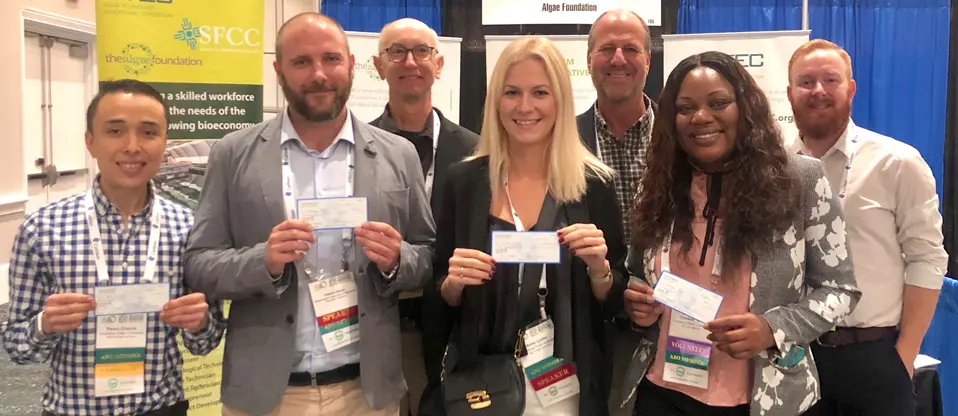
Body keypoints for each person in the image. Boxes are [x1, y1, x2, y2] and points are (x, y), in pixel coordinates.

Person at [182, 12, 435, 416]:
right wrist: (263, 262)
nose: (319, 74)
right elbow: (199, 264)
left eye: (331, 59)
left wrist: (397, 260)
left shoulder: (398, 154)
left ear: (351, 64)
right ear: (279, 70)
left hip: (366, 393)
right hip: (267, 394)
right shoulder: (232, 153)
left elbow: (426, 255)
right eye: (302, 62)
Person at [619, 51, 861, 416]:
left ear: (745, 107)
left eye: (718, 103)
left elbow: (840, 290)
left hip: (763, 397)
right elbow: (638, 272)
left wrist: (772, 328)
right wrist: (638, 301)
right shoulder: (657, 184)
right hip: (663, 390)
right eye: (685, 108)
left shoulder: (800, 180)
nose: (701, 117)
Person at [2, 79, 225, 416]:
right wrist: (45, 324)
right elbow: (17, 348)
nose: (132, 146)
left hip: (161, 407)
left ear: (164, 142)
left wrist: (199, 323)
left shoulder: (191, 229)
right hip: (74, 409)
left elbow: (205, 343)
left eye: (148, 132)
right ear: (90, 142)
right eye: (115, 131)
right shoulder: (42, 230)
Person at [435, 37, 628, 415]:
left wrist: (600, 271)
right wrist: (452, 283)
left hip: (565, 386)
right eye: (512, 92)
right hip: (482, 388)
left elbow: (615, 296)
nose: (525, 107)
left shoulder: (594, 184)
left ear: (560, 100)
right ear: (496, 101)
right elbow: (438, 290)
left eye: (540, 92)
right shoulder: (464, 182)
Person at [787, 40, 948, 416]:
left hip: (873, 359)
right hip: (793, 357)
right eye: (806, 82)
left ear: (851, 88)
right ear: (790, 92)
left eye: (831, 80)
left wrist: (904, 355)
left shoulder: (897, 162)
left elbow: (927, 258)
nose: (818, 90)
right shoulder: (771, 165)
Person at [368, 17, 479, 415]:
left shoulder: (476, 151)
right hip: (379, 324)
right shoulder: (357, 150)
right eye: (396, 51)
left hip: (452, 327)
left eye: (421, 51)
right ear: (378, 66)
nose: (410, 61)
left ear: (439, 63)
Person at [578, 9, 656, 243]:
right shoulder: (562, 141)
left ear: (648, 60)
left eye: (631, 49)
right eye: (607, 48)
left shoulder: (679, 135)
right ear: (589, 60)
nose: (618, 59)